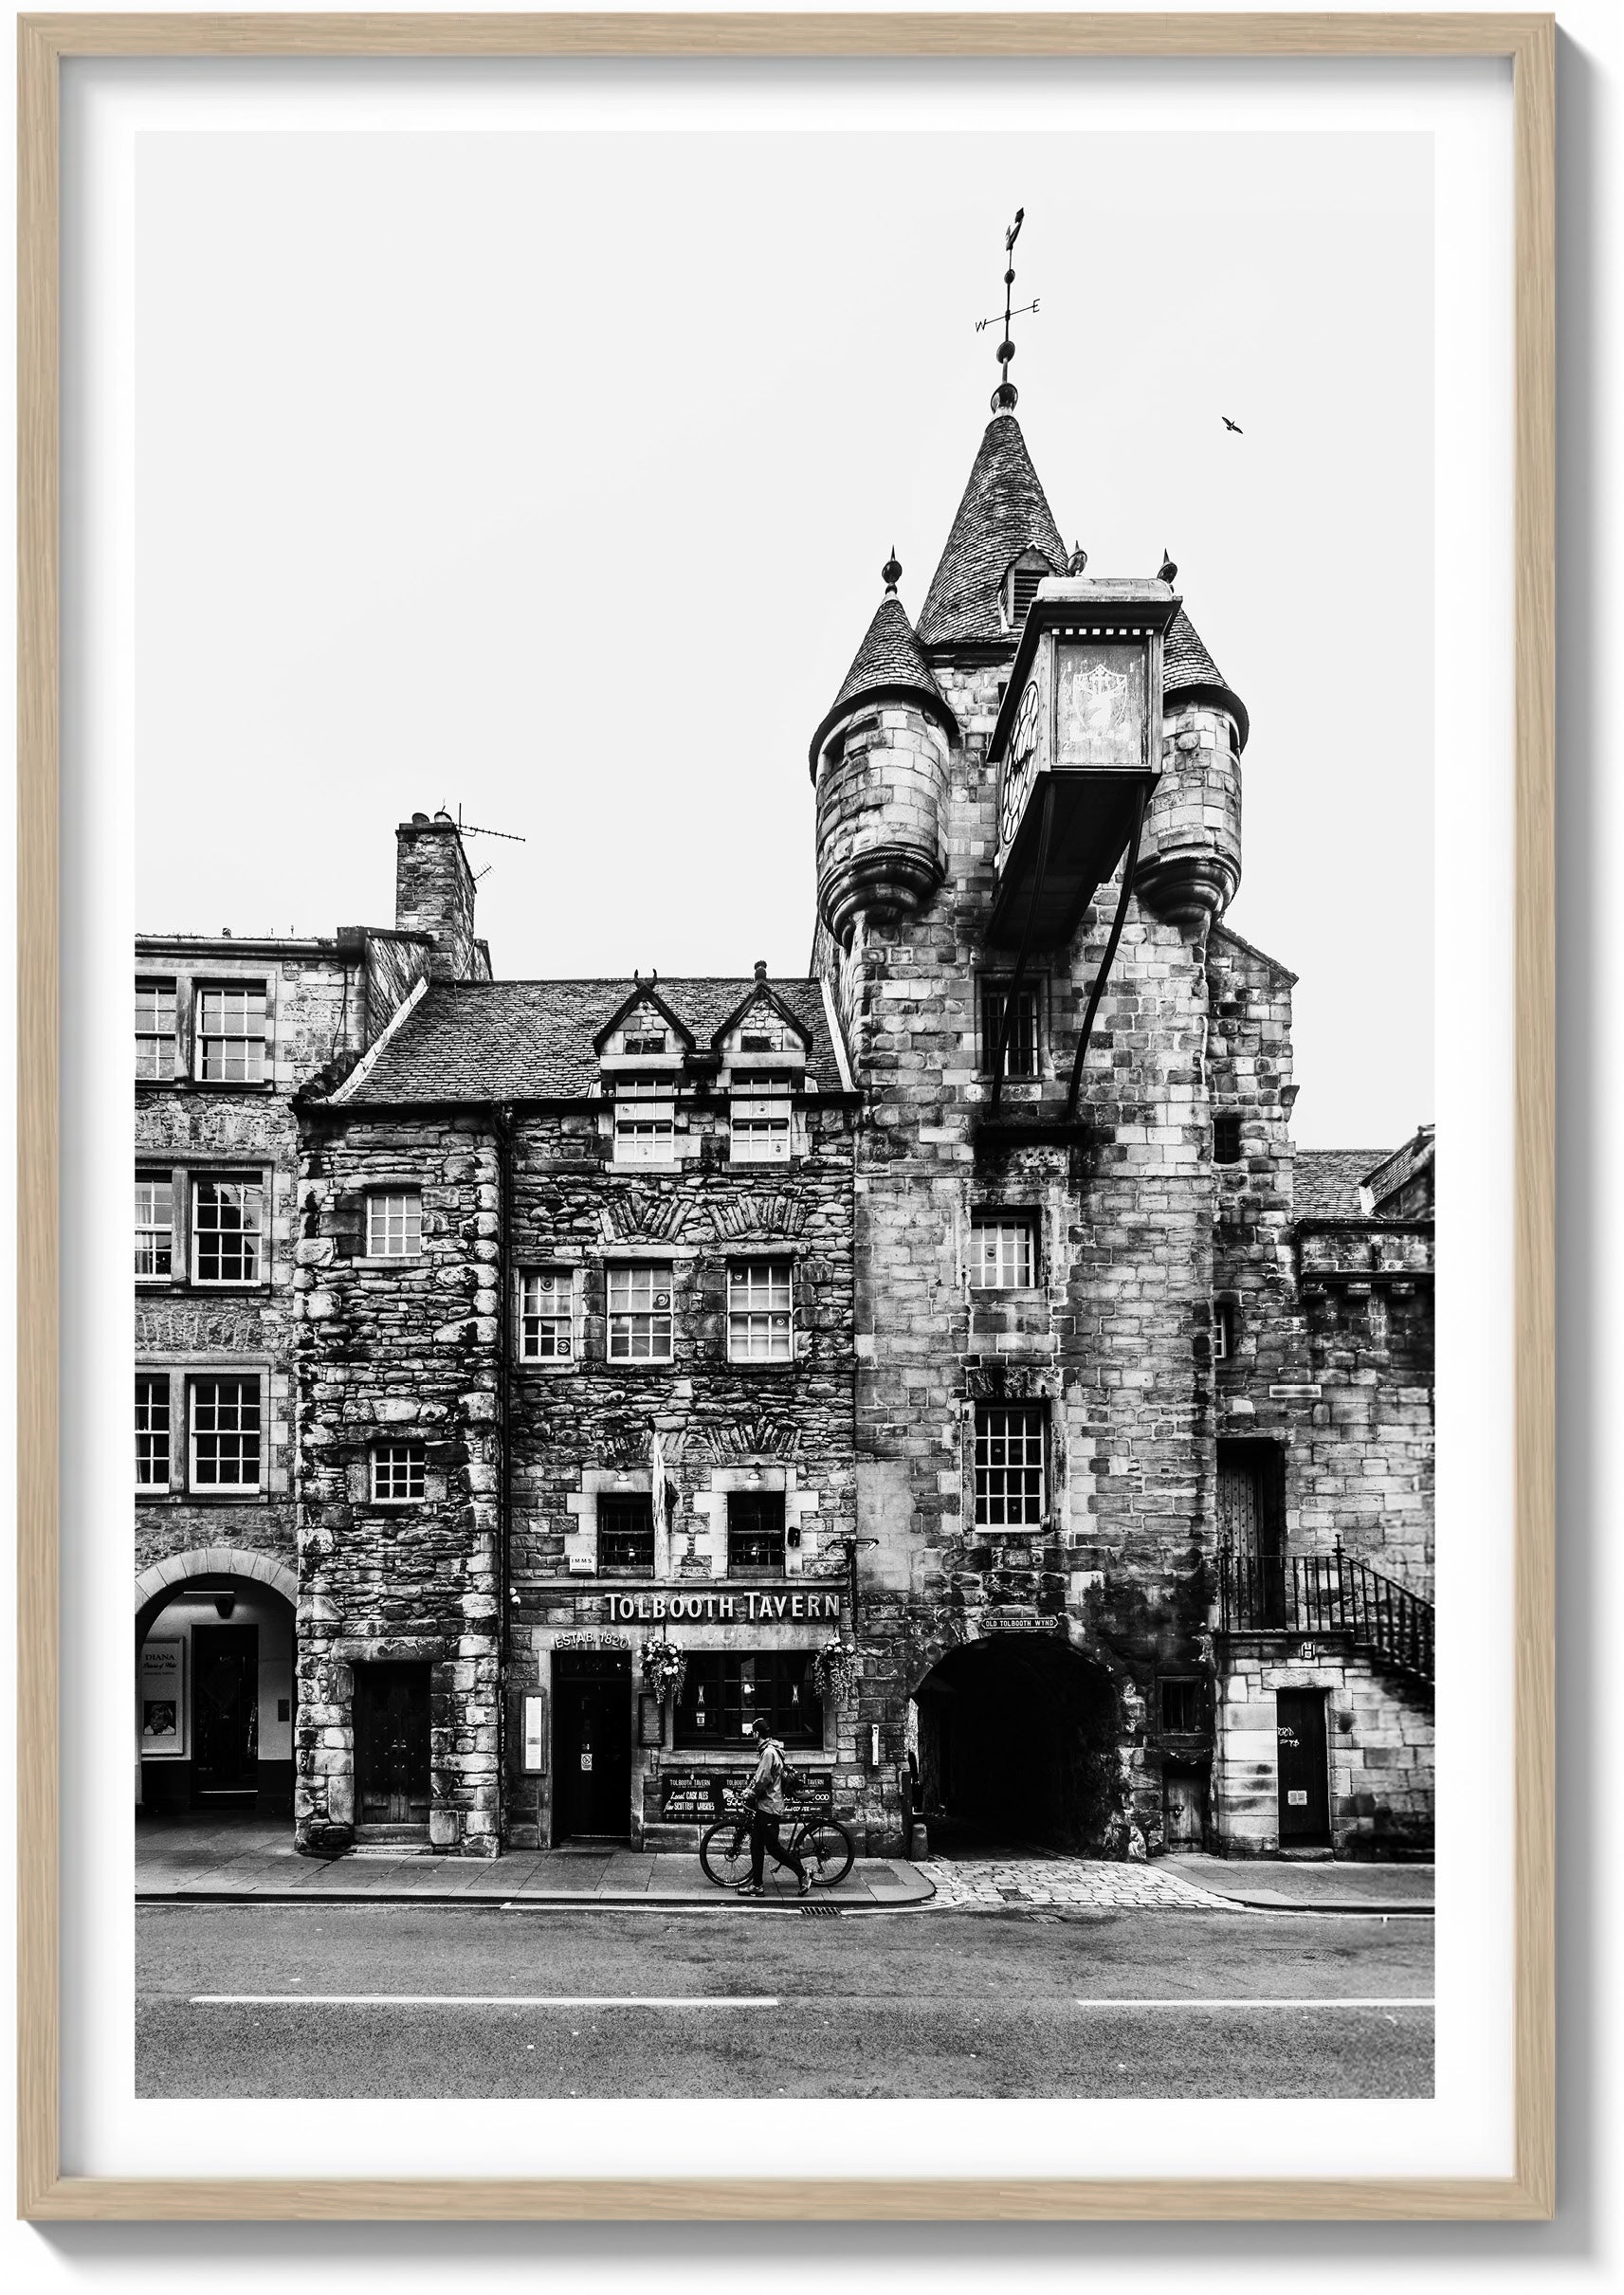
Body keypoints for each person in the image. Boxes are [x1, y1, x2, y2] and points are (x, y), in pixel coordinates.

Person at [736, 1722, 810, 1898]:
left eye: (752, 1732)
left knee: (773, 1847)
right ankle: (757, 1885)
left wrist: (749, 1794)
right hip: (765, 1805)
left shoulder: (768, 1753)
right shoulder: (769, 1750)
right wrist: (750, 1791)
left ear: (756, 1733)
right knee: (756, 1845)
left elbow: (763, 1779)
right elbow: (760, 1777)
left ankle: (803, 1874)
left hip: (769, 1806)